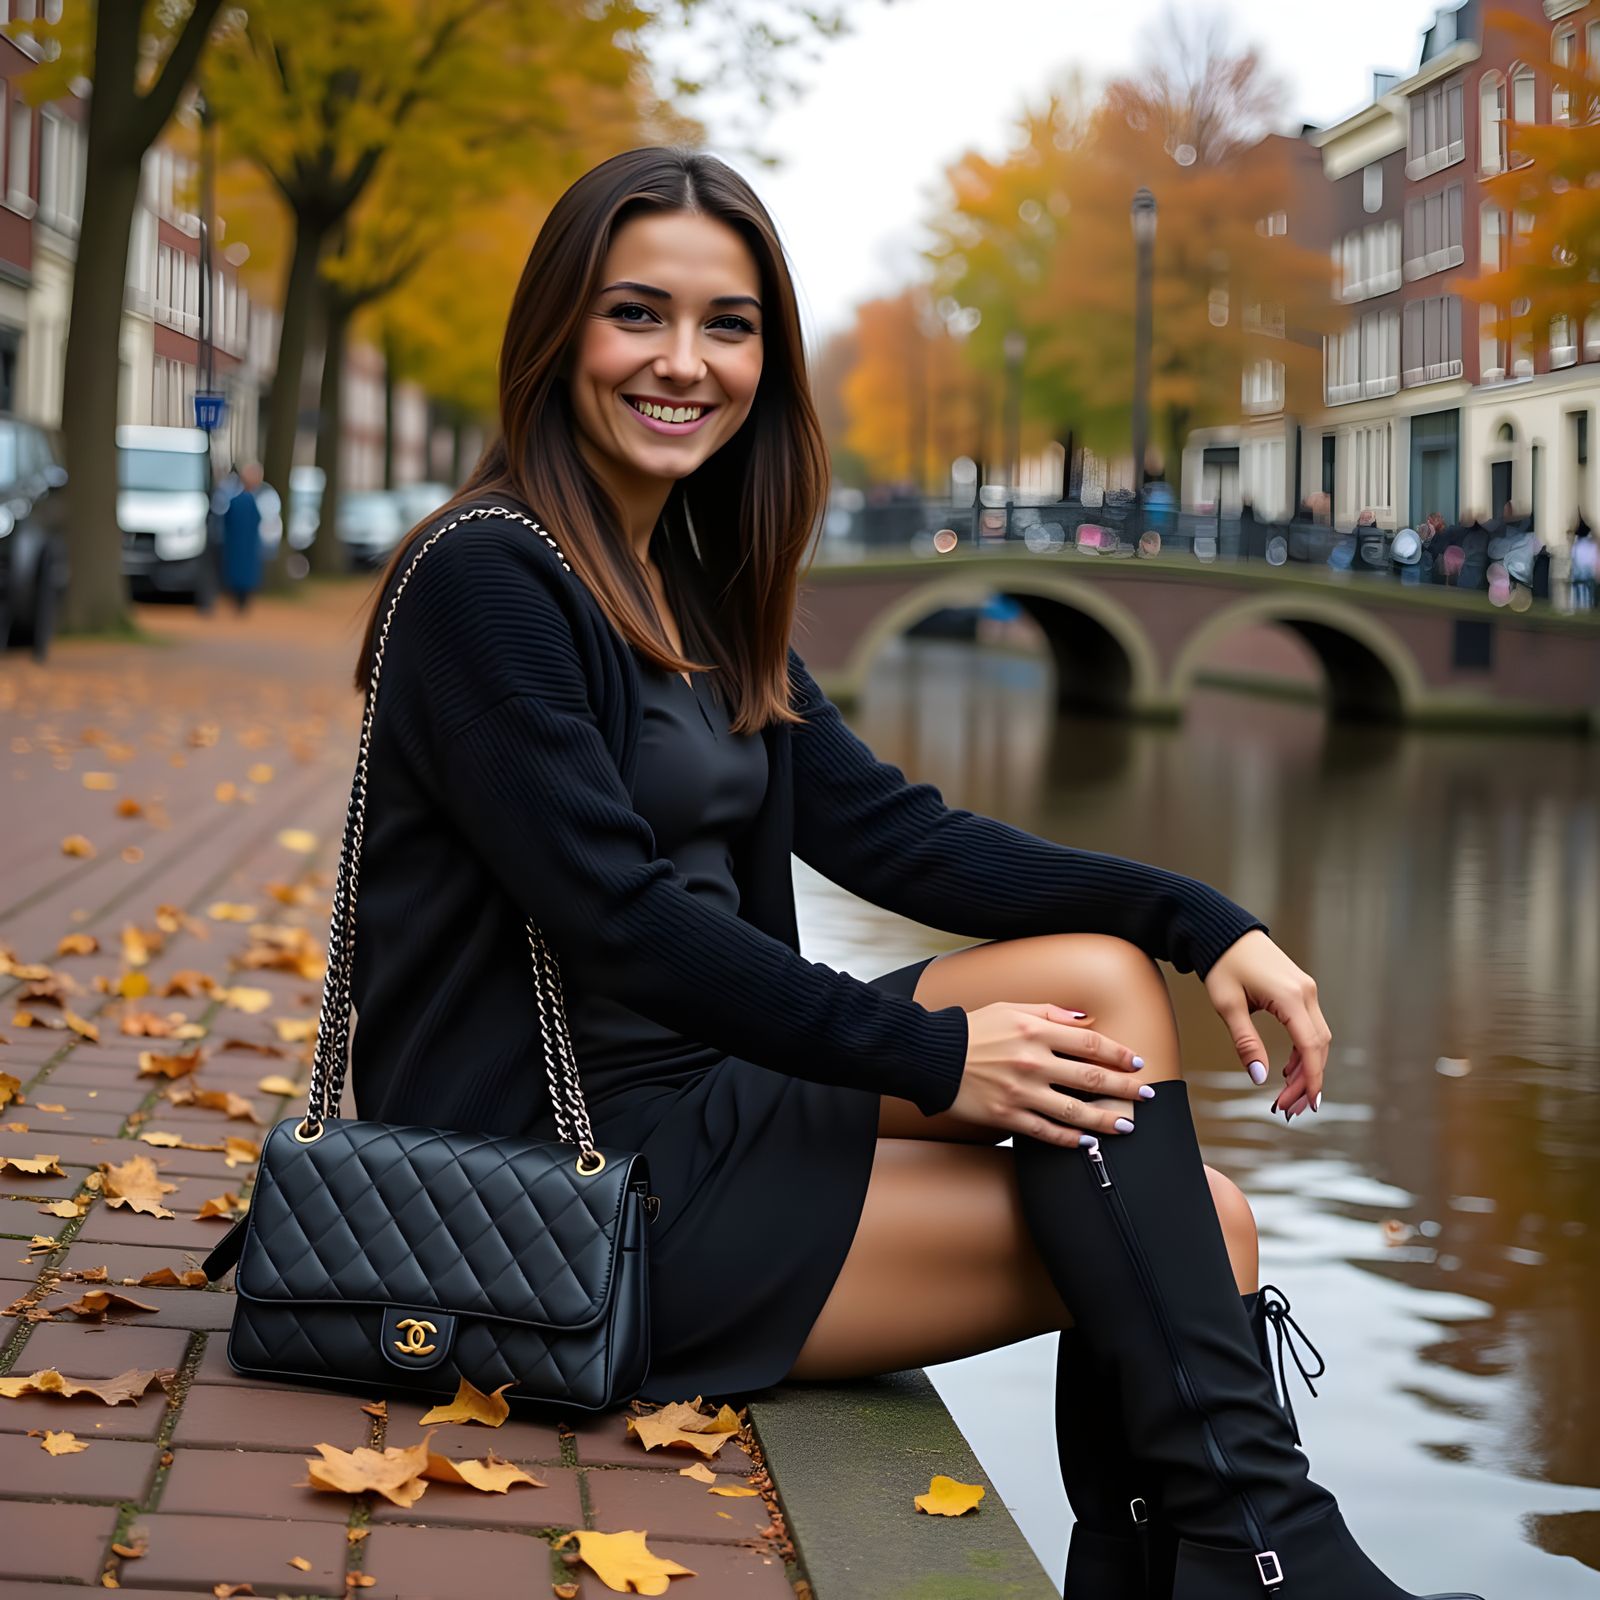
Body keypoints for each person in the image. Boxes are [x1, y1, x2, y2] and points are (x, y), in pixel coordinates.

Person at [344, 148, 1481, 1600]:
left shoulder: (695, 588)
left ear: (767, 357)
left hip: (716, 1097)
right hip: (563, 1186)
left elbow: (899, 837)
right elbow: (621, 921)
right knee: (1205, 1228)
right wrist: (935, 1057)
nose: (685, 361)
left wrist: (1201, 921)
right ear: (559, 332)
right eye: (638, 314)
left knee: (1111, 1002)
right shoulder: (484, 579)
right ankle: (1272, 1562)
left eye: (728, 324)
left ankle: (1243, 1559)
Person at [220, 461, 264, 612]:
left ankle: (239, 599)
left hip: (238, 546)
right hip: (243, 546)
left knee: (238, 571)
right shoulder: (248, 500)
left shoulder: (236, 500)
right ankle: (241, 600)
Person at [1571, 514, 1597, 611]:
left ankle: (1579, 608)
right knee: (1588, 597)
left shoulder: (1575, 545)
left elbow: (1573, 560)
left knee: (1578, 595)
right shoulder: (1591, 545)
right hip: (1588, 576)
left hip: (1578, 575)